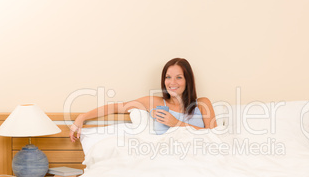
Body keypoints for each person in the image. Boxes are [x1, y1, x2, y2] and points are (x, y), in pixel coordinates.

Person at [69, 58, 216, 142]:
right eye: (168, 77)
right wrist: (82, 117)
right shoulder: (154, 102)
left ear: (187, 80)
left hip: (199, 155)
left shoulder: (203, 104)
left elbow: (215, 135)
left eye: (179, 77)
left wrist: (176, 123)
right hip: (169, 157)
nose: (172, 82)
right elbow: (116, 107)